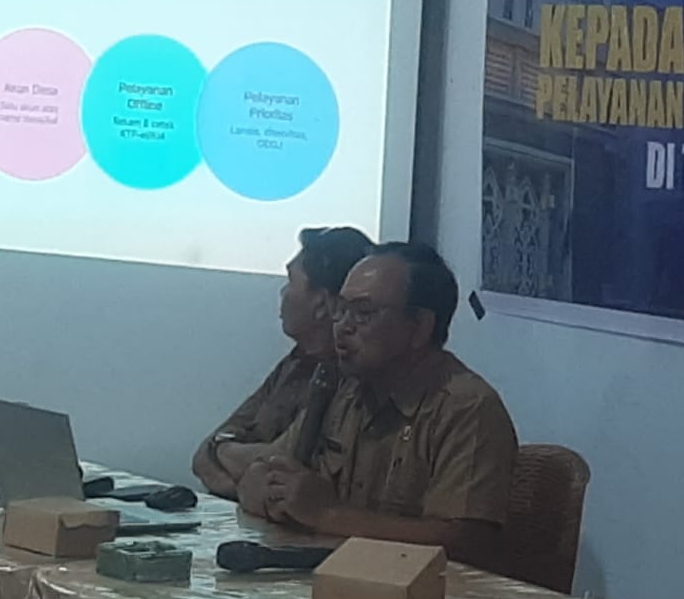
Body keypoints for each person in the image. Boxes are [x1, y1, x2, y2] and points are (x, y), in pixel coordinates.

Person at [236, 242, 519, 566]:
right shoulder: (343, 389)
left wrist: (329, 515)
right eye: (340, 309)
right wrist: (266, 489)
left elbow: (465, 544)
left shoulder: (467, 408)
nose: (342, 326)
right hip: (333, 575)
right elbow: (272, 470)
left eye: (363, 313)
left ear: (420, 327)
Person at [192, 226, 374, 499]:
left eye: (290, 282)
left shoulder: (347, 378)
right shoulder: (296, 361)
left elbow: (282, 462)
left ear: (322, 304)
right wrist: (245, 484)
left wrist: (222, 451)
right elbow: (203, 456)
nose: (282, 293)